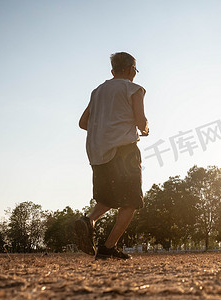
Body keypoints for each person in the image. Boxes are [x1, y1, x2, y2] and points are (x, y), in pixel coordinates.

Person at [75, 52, 149, 260]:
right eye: (135, 69)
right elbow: (140, 120)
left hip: (97, 152)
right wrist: (145, 128)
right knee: (131, 201)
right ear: (129, 69)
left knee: (108, 197)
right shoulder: (133, 89)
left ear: (112, 71)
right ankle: (108, 247)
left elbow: (82, 123)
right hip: (123, 150)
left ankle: (88, 221)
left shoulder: (97, 92)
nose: (135, 73)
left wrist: (105, 124)